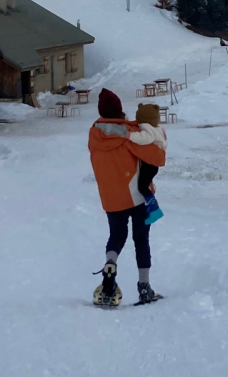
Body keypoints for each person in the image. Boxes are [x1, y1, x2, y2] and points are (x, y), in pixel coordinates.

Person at [88, 89, 167, 306]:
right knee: (141, 240)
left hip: (111, 198)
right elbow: (158, 157)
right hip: (137, 197)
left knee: (116, 236)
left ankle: (110, 269)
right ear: (119, 111)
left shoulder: (94, 134)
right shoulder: (127, 133)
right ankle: (144, 287)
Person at [129, 103, 167, 224]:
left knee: (142, 186)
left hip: (150, 164)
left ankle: (154, 210)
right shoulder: (158, 129)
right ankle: (151, 209)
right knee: (144, 184)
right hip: (153, 164)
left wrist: (128, 135)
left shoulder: (147, 128)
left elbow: (144, 138)